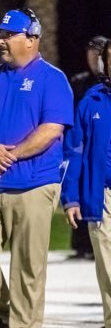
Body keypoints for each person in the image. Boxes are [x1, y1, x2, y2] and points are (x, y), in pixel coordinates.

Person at [0, 9, 74, 328]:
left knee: (28, 265)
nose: (0, 40)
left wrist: (10, 154)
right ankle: (0, 317)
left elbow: (51, 129)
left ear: (31, 38)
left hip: (35, 185)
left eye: (8, 34)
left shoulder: (53, 79)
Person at [62, 38, 111, 328]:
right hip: (102, 196)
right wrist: (70, 198)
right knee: (108, 267)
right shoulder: (90, 101)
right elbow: (73, 152)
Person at [68, 35, 109, 260]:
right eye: (91, 53)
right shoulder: (81, 83)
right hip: (82, 143)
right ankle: (81, 244)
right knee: (79, 190)